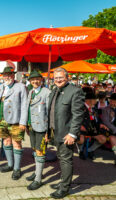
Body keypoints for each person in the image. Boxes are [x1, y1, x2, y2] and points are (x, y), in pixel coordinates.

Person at [48, 67, 85, 199]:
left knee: (66, 160)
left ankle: (65, 188)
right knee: (61, 158)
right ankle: (63, 182)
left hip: (66, 134)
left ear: (67, 78)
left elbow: (78, 115)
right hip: (55, 131)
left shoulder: (75, 91)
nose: (58, 80)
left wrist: (73, 134)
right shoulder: (54, 91)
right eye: (56, 78)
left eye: (60, 77)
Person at [0, 66, 28, 180]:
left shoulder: (21, 87)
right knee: (6, 142)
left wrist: (23, 122)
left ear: (13, 76)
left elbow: (24, 105)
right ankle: (10, 164)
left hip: (16, 121)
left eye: (9, 75)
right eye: (5, 75)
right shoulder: (0, 87)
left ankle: (17, 169)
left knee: (16, 144)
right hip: (2, 120)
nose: (7, 77)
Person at [25, 71, 50, 190]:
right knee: (35, 150)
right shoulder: (30, 92)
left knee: (40, 152)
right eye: (33, 79)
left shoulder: (46, 92)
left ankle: (38, 179)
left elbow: (50, 113)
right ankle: (37, 172)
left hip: (42, 127)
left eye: (37, 79)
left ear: (41, 80)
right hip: (32, 126)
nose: (35, 81)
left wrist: (48, 131)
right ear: (30, 81)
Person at [99, 93, 116, 165]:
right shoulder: (106, 109)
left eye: (113, 101)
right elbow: (106, 122)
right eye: (111, 101)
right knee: (112, 139)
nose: (111, 102)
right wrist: (115, 129)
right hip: (111, 130)